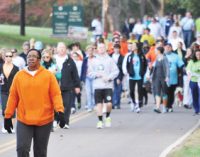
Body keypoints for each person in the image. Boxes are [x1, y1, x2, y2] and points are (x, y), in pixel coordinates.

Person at [4, 49, 65, 157]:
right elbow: (13, 96)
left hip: (44, 120)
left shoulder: (48, 76)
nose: (30, 58)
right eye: (28, 56)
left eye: (34, 56)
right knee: (22, 148)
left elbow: (56, 94)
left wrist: (60, 111)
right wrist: (8, 116)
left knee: (40, 152)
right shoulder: (19, 76)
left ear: (39, 60)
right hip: (24, 119)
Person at [88, 43, 119, 129]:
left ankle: (108, 116)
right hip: (97, 86)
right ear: (97, 49)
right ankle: (100, 121)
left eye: (103, 47)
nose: (101, 49)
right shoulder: (93, 60)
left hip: (108, 86)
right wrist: (97, 74)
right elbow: (89, 73)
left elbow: (116, 71)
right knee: (99, 105)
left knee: (109, 104)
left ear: (105, 49)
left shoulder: (110, 60)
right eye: (99, 47)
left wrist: (109, 77)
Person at [59, 43, 81, 129]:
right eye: (60, 47)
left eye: (63, 48)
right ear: (57, 49)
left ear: (66, 49)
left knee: (67, 105)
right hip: (55, 87)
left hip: (67, 86)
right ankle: (56, 119)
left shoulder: (69, 60)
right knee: (56, 105)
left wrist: (77, 86)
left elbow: (75, 74)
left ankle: (66, 122)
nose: (61, 49)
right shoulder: (53, 59)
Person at [1, 49, 19, 133]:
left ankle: (11, 125)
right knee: (5, 108)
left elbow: (18, 80)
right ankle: (5, 125)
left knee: (12, 109)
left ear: (12, 57)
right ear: (4, 57)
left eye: (10, 56)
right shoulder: (0, 67)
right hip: (3, 90)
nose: (8, 57)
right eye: (6, 56)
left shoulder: (16, 68)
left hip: (13, 91)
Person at [126, 42, 147, 113]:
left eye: (134, 46)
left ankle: (138, 104)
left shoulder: (142, 56)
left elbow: (145, 65)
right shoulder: (130, 56)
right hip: (132, 76)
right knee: (131, 91)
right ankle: (133, 102)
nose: (132, 47)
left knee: (139, 90)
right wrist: (129, 72)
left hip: (140, 76)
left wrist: (143, 73)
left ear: (137, 47)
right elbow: (127, 65)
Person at [164, 43, 184, 112]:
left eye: (169, 47)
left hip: (173, 78)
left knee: (171, 93)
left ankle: (169, 106)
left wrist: (184, 71)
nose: (167, 48)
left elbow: (181, 65)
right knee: (165, 92)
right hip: (164, 78)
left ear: (171, 48)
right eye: (166, 47)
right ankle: (165, 105)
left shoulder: (176, 56)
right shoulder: (162, 56)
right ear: (164, 48)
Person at [151, 47, 169, 113]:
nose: (155, 52)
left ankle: (164, 107)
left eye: (156, 50)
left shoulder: (164, 58)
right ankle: (157, 107)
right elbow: (153, 68)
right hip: (156, 78)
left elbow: (167, 67)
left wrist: (167, 76)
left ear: (159, 51)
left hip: (163, 78)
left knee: (164, 92)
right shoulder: (156, 58)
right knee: (157, 92)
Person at [80, 45, 96, 112]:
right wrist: (82, 79)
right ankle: (89, 106)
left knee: (93, 92)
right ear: (87, 51)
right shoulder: (85, 59)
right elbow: (82, 69)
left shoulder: (96, 58)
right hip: (87, 77)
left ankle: (94, 105)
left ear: (93, 51)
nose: (90, 52)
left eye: (91, 50)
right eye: (88, 50)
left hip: (94, 77)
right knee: (88, 92)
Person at [186, 49, 200, 115]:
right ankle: (196, 109)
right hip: (193, 80)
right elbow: (188, 69)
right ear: (195, 55)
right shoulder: (192, 61)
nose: (198, 56)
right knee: (195, 95)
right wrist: (189, 72)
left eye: (199, 54)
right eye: (197, 54)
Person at [111, 44, 124, 109]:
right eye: (115, 48)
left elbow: (122, 69)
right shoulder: (110, 56)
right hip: (111, 75)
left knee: (118, 90)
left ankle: (118, 103)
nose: (116, 49)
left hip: (118, 75)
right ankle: (112, 103)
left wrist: (120, 77)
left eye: (118, 48)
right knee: (112, 90)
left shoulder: (122, 57)